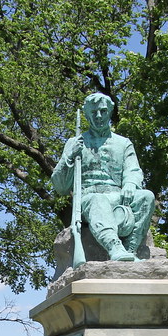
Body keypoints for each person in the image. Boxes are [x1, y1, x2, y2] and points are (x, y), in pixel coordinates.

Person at [51, 92, 155, 261]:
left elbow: (133, 170)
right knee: (98, 200)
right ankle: (115, 248)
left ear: (110, 112)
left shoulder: (123, 143)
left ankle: (130, 251)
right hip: (89, 198)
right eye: (93, 112)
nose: (99, 116)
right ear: (86, 115)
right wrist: (69, 156)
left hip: (119, 196)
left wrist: (130, 184)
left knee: (146, 196)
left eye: (103, 111)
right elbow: (61, 187)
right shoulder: (75, 142)